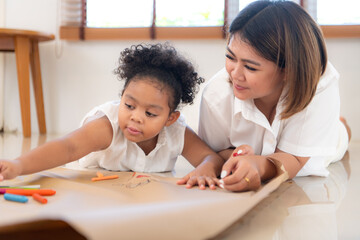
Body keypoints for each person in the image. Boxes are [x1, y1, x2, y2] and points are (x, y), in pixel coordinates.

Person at [0, 43, 224, 190]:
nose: (136, 117)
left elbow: (210, 157)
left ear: (170, 119)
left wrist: (205, 167)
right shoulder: (107, 126)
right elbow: (67, 147)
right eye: (129, 105)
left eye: (150, 113)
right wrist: (18, 165)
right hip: (96, 192)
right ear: (122, 97)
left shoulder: (177, 131)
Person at [187, 1, 351, 192]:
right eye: (231, 57)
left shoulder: (319, 84)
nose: (235, 74)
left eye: (250, 67)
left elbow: (295, 159)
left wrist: (259, 165)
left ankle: (341, 125)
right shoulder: (216, 94)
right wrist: (237, 157)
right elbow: (213, 151)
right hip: (258, 151)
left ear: (288, 70)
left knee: (339, 136)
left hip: (315, 147)